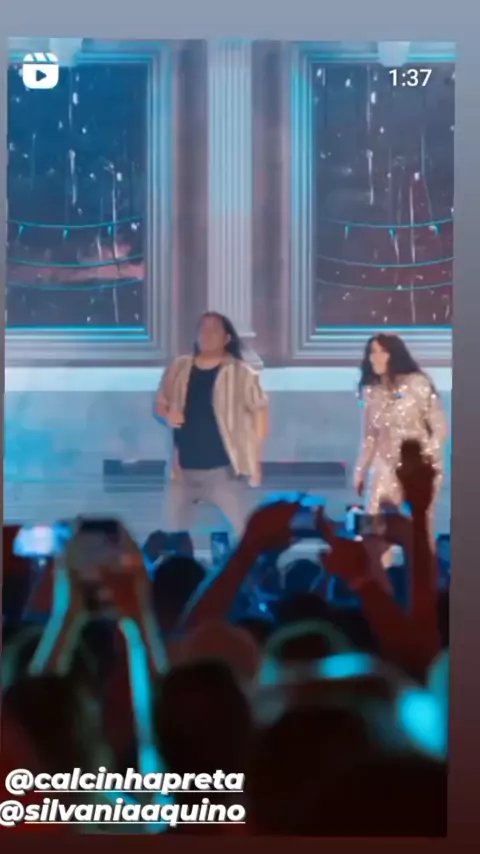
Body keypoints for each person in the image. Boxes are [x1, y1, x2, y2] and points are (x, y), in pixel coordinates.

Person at [156, 312, 269, 535]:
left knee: (246, 532)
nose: (207, 335)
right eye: (203, 330)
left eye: (214, 330)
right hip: (182, 470)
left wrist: (255, 460)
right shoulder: (179, 368)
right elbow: (161, 402)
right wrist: (168, 414)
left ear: (227, 338)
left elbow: (260, 412)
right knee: (172, 535)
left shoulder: (241, 373)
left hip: (223, 470)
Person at [353, 334, 447, 558]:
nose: (375, 357)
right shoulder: (370, 391)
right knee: (372, 522)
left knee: (418, 527)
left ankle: (422, 572)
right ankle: (377, 571)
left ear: (394, 355)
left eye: (381, 352)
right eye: (372, 352)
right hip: (383, 465)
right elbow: (370, 437)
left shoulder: (418, 384)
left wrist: (426, 456)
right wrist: (360, 470)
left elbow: (440, 428)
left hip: (417, 465)